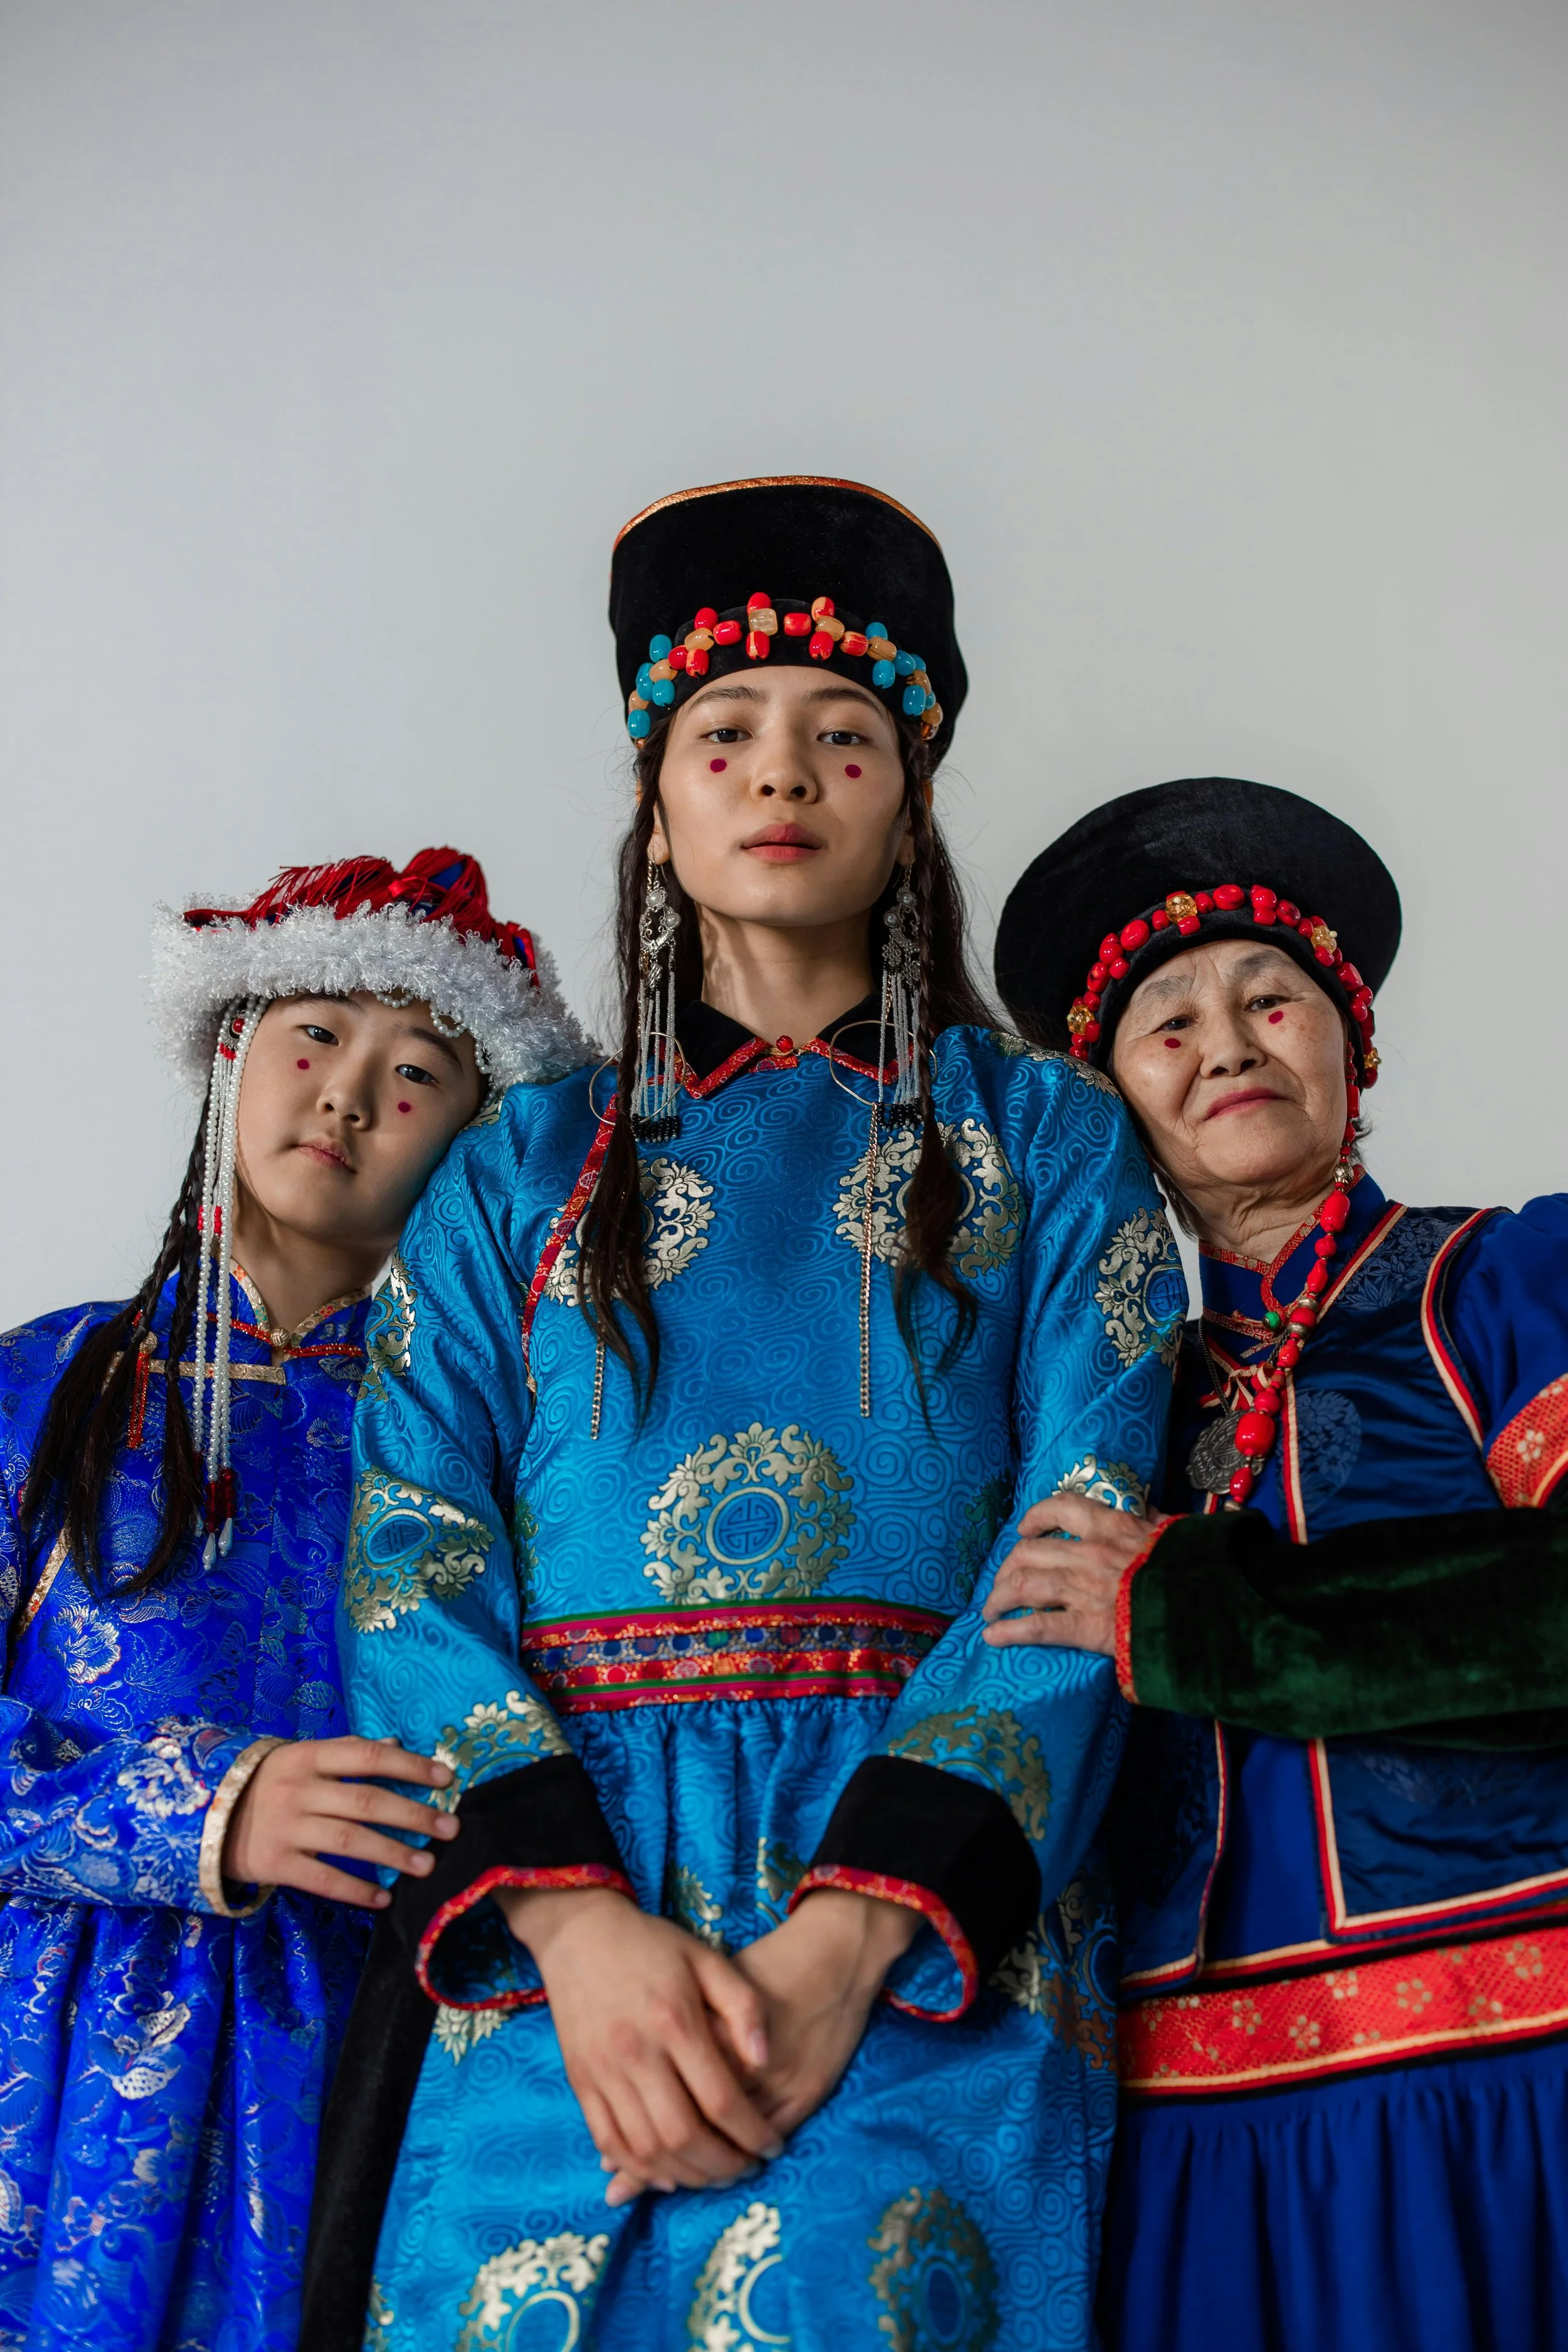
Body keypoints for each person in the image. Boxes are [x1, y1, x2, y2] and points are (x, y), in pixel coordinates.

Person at [304, 478, 1182, 2352]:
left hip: (929, 1930)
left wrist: (855, 1927)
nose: (781, 772)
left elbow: (1085, 1533)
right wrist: (572, 1927)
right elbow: (410, 1552)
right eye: (727, 734)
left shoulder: (1050, 1140)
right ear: (661, 793)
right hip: (570, 1921)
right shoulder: (510, 1171)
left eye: (841, 733)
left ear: (908, 791)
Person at [988, 775, 1568, 2352]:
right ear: (1105, 1099)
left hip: (1515, 2072)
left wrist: (1191, 1611)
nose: (1228, 1039)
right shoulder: (1095, 1407)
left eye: (1270, 998)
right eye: (1163, 1023)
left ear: (1348, 1047)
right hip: (1196, 2137)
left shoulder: (1497, 1282)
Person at [0, 847, 585, 2352]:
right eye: (314, 1035)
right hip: (60, 2083)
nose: (346, 1094)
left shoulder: (501, 1437)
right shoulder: (41, 1390)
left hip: (389, 2053)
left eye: (416, 1073)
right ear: (229, 1054)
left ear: (473, 1141)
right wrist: (200, 1811)